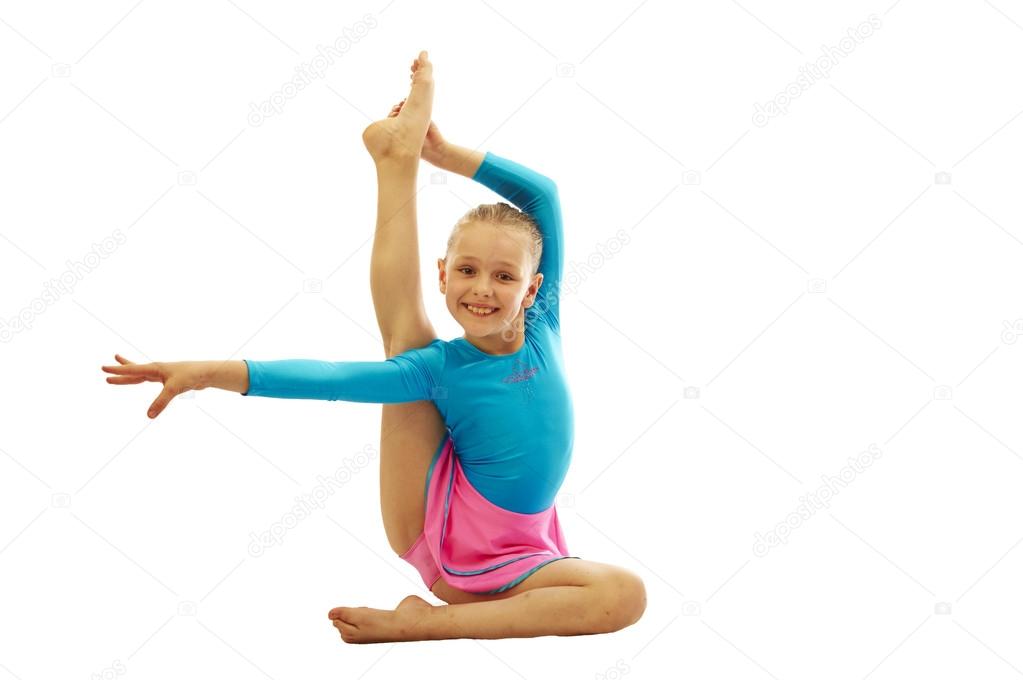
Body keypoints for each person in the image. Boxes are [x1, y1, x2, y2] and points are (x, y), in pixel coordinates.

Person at [101, 50, 645, 643]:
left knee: (622, 596)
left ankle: (396, 159)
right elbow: (331, 378)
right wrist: (207, 371)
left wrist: (443, 154)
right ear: (442, 275)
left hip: (530, 547)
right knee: (625, 593)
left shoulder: (544, 323)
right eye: (466, 270)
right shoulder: (440, 369)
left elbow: (542, 196)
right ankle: (429, 624)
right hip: (450, 541)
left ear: (534, 287)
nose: (483, 290)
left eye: (504, 277)